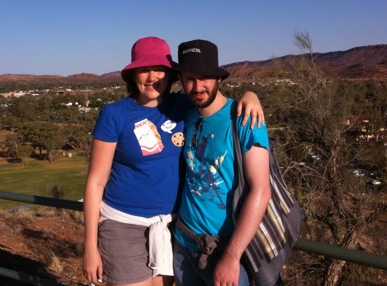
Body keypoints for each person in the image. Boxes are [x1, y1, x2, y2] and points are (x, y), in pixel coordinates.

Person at [82, 36, 265, 286]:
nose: (152, 77)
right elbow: (95, 181)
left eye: (159, 69)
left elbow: (215, 102)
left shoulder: (183, 106)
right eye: (144, 69)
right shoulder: (115, 114)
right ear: (132, 74)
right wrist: (90, 246)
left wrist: (251, 95)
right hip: (125, 224)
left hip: (170, 228)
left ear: (170, 74)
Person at [172, 39, 276, 286]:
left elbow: (261, 191)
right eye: (189, 79)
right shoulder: (188, 115)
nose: (197, 86)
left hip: (223, 251)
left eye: (204, 77)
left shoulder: (245, 120)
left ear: (219, 79)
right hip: (182, 242)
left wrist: (232, 257)